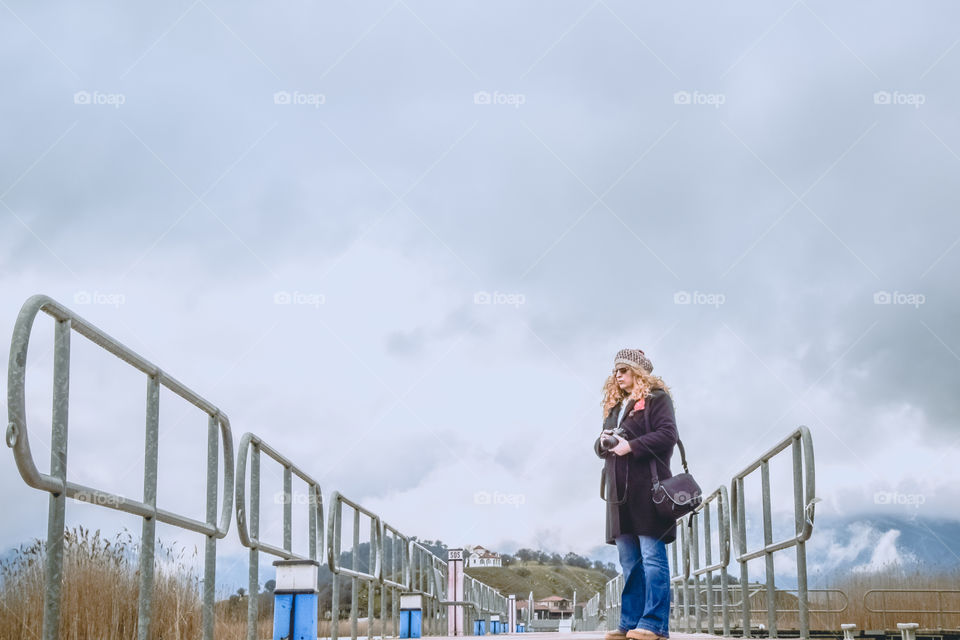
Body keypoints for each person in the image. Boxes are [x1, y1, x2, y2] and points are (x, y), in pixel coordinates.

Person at [593, 348, 678, 640]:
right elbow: (602, 445)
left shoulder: (657, 399)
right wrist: (603, 441)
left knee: (653, 558)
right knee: (630, 562)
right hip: (619, 494)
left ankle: (655, 625)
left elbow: (668, 435)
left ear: (639, 372)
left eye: (623, 370)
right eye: (615, 371)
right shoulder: (616, 406)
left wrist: (631, 446)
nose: (617, 375)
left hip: (649, 489)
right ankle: (630, 623)